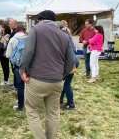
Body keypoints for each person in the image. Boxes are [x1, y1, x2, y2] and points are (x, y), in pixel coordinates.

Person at [20, 10, 75, 139]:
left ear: (40, 19)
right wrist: (62, 75)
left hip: (37, 79)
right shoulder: (65, 35)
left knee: (32, 111)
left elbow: (28, 52)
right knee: (53, 113)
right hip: (57, 81)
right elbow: (71, 60)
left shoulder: (36, 29)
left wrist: (22, 70)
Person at [57, 21, 79, 110]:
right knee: (64, 82)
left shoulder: (61, 36)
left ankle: (71, 104)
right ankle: (60, 99)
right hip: (73, 60)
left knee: (66, 84)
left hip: (70, 62)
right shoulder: (67, 34)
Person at [5, 24, 27, 112]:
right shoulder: (29, 38)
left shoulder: (13, 39)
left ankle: (20, 106)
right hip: (30, 66)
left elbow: (8, 55)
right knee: (29, 86)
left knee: (20, 86)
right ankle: (30, 105)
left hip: (18, 66)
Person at [8, 18, 18, 89]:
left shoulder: (16, 32)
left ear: (15, 24)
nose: (9, 25)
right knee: (14, 70)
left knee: (15, 70)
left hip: (15, 54)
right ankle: (15, 83)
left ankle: (16, 85)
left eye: (10, 24)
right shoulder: (13, 31)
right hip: (13, 54)